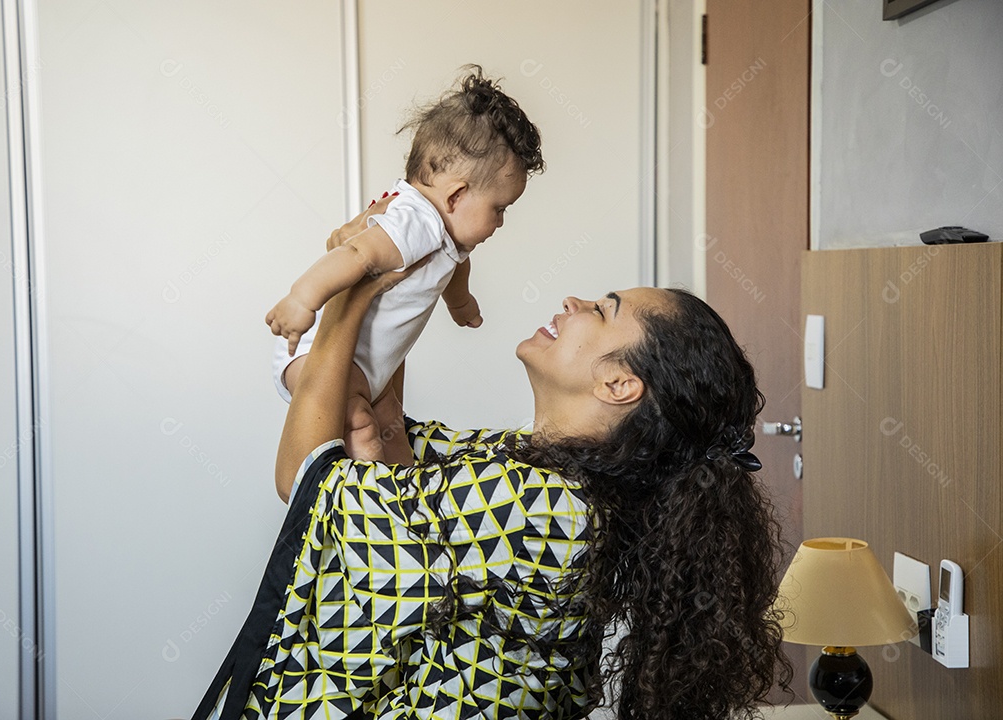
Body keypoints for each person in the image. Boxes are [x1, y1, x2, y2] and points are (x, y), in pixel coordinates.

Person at [193, 200, 793, 720]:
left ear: (618, 384)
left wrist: (349, 297)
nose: (574, 301)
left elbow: (306, 479)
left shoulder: (547, 505)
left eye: (602, 310)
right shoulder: (523, 465)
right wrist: (404, 292)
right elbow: (383, 423)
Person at [265, 66, 544, 465]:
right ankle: (362, 496)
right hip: (319, 356)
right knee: (363, 429)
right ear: (456, 196)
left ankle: (407, 489)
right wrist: (302, 299)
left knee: (391, 428)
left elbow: (456, 268)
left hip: (370, 367)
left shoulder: (444, 232)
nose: (500, 222)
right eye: (499, 209)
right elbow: (354, 253)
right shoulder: (415, 222)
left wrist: (460, 303)